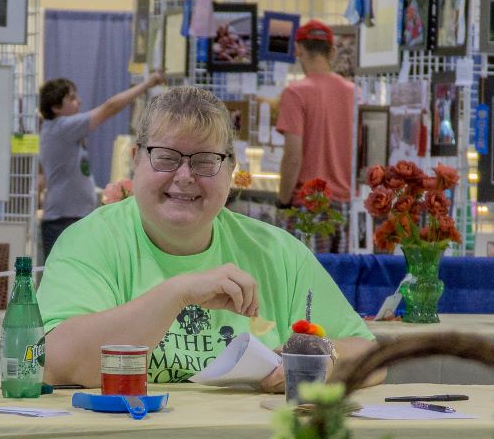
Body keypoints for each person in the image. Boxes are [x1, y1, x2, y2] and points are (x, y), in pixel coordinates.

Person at [38, 86, 375, 391]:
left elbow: (370, 354)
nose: (185, 177)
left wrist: (325, 356)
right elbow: (55, 363)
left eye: (204, 161)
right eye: (166, 157)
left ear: (231, 170)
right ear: (136, 160)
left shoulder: (278, 252)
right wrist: (178, 293)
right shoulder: (90, 242)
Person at [38, 71, 165, 263]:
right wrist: (147, 84)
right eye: (71, 98)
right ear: (56, 107)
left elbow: (44, 175)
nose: (78, 101)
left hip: (70, 218)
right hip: (63, 221)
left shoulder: (57, 130)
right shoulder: (62, 127)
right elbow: (110, 108)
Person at [275, 21, 356, 254]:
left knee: (305, 286)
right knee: (341, 286)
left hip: (307, 207)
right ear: (332, 51)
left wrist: (282, 201)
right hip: (346, 209)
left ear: (298, 49)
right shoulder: (354, 93)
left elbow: (292, 156)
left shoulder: (295, 93)